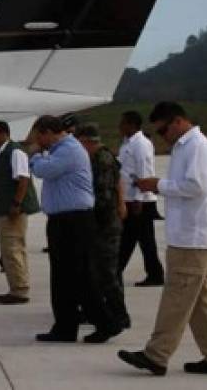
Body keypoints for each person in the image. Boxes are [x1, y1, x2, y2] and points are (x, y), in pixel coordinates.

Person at [118, 102, 207, 377]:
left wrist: (156, 185)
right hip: (186, 236)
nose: (162, 137)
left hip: (192, 238)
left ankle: (156, 355)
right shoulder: (186, 147)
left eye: (162, 131)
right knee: (200, 302)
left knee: (176, 300)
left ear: (177, 121)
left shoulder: (199, 147)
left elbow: (196, 187)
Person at [30, 115, 120, 343]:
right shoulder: (62, 149)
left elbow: (44, 171)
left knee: (79, 276)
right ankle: (65, 326)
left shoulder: (68, 149)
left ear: (49, 132)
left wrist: (35, 155)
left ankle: (105, 323)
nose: (38, 141)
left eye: (39, 136)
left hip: (74, 221)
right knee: (64, 277)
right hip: (64, 220)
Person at [77, 123, 131, 331]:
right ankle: (101, 310)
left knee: (107, 273)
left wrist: (88, 217)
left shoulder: (102, 160)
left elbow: (104, 197)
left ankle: (119, 314)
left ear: (87, 142)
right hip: (103, 223)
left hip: (105, 225)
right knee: (99, 271)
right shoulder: (99, 158)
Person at [0, 121, 38, 305]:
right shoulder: (2, 153)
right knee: (11, 250)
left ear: (3, 134)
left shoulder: (15, 152)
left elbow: (23, 178)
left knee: (13, 249)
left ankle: (19, 290)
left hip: (12, 211)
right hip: (4, 209)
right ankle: (17, 287)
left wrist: (16, 203)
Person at [117, 110, 165, 287]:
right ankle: (155, 274)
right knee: (145, 240)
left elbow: (143, 170)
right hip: (131, 198)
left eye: (122, 123)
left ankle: (115, 270)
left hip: (139, 201)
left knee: (128, 238)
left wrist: (138, 198)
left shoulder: (141, 144)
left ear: (131, 124)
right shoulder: (127, 143)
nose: (119, 127)